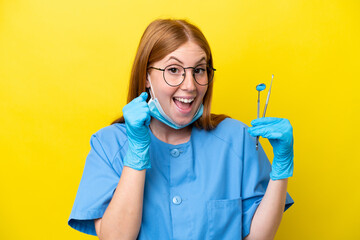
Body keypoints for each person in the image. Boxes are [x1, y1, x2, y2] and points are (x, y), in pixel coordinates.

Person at [68, 19, 294, 240]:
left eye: (199, 70)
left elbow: (257, 237)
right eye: (174, 69)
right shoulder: (108, 145)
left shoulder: (238, 139)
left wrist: (281, 169)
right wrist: (136, 152)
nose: (190, 85)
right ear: (146, 76)